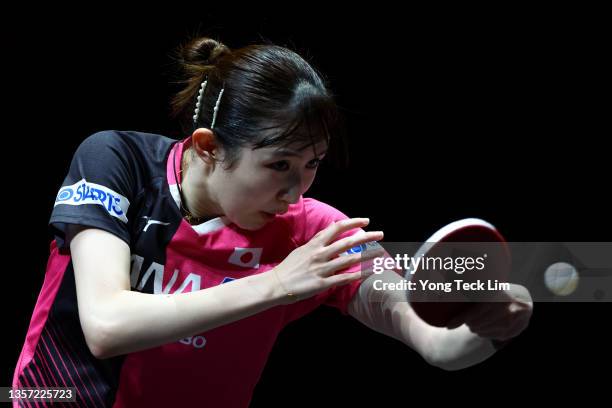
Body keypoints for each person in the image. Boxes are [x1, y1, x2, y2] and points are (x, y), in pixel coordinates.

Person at [12, 37, 532, 407]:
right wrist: (278, 283)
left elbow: (435, 344)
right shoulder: (116, 162)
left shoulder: (314, 234)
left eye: (312, 166)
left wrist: (488, 326)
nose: (296, 190)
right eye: (279, 165)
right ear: (209, 148)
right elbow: (106, 325)